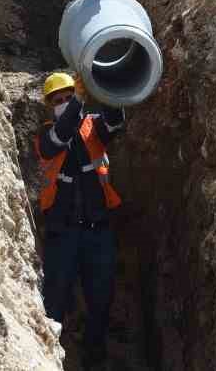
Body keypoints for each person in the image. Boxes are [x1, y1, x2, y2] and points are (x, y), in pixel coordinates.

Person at [36, 71, 126, 368]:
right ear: (51, 106)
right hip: (62, 236)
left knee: (101, 300)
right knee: (55, 303)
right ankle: (50, 359)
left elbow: (115, 121)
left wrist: (106, 88)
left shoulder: (94, 127)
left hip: (97, 234)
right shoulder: (47, 135)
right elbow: (57, 139)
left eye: (67, 96)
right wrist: (76, 102)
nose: (63, 103)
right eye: (58, 100)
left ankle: (94, 357)